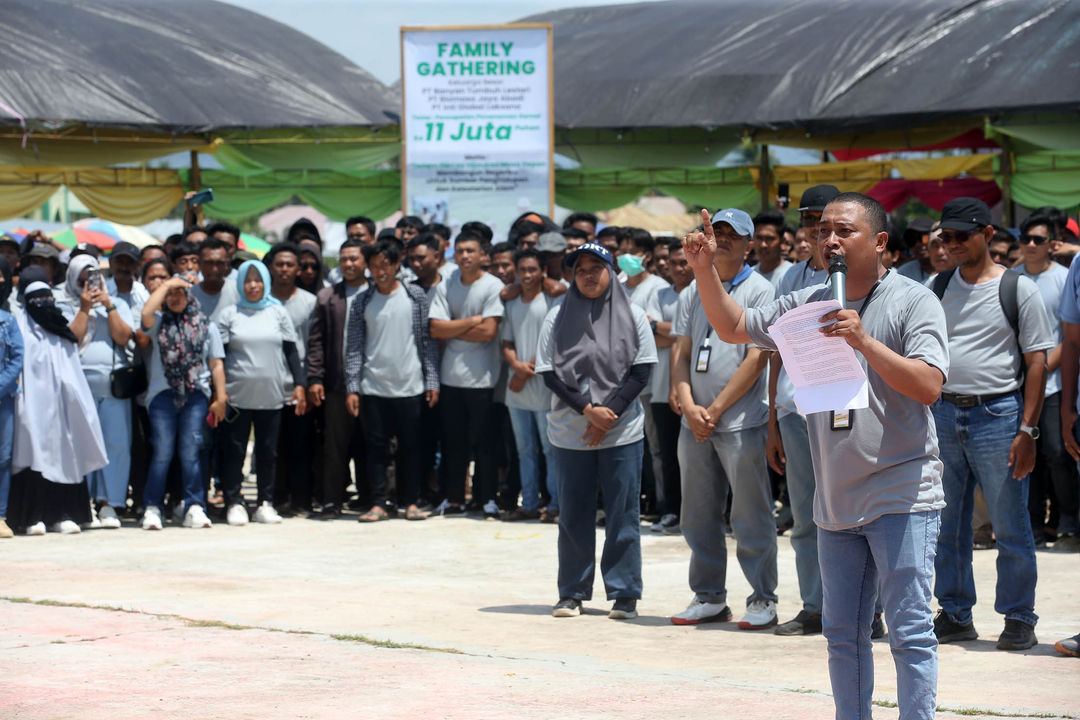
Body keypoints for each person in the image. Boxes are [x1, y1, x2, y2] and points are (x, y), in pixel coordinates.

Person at [685, 193, 949, 720]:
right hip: (835, 497)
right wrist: (704, 269)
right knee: (842, 634)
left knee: (910, 629)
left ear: (878, 242)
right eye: (822, 230)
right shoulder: (807, 302)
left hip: (902, 490)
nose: (829, 239)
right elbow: (735, 327)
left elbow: (929, 386)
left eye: (844, 230)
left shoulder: (915, 300)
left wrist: (864, 342)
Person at [931, 197, 1053, 652]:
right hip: (944, 412)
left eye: (962, 235)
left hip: (998, 415)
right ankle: (956, 613)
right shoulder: (939, 285)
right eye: (946, 236)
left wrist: (1028, 430)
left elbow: (1037, 362)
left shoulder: (1018, 289)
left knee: (1009, 524)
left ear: (987, 234)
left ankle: (1019, 616)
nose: (953, 244)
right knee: (947, 524)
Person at [669, 209, 778, 629]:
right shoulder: (692, 289)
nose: (727, 240)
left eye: (736, 235)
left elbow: (757, 357)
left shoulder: (762, 290)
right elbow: (680, 352)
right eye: (722, 232)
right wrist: (687, 401)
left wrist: (713, 410)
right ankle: (709, 595)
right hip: (693, 421)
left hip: (739, 421)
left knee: (750, 514)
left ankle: (763, 598)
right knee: (696, 513)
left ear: (750, 244)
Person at [537, 242, 656, 620]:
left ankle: (624, 594)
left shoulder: (634, 313)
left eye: (596, 267)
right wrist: (589, 411)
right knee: (573, 513)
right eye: (580, 269)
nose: (589, 275)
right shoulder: (556, 315)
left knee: (623, 513)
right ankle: (571, 592)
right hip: (571, 431)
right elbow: (548, 372)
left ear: (611, 270)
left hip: (621, 432)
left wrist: (610, 414)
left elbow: (642, 370)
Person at [768, 184, 839, 637]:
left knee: (852, 512)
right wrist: (772, 419)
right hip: (796, 410)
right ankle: (814, 605)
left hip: (843, 408)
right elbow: (774, 350)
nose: (814, 229)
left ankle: (860, 608)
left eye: (823, 220)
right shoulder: (790, 279)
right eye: (809, 220)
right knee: (804, 513)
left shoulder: (855, 274)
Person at [8, 267, 108, 535]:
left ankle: (63, 514)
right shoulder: (20, 328)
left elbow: (71, 370)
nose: (44, 305)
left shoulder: (60, 330)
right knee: (33, 458)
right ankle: (32, 517)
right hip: (31, 410)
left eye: (47, 299)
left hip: (62, 411)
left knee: (65, 456)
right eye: (37, 300)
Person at [344, 240, 439, 522]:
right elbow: (354, 347)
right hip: (373, 387)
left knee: (411, 447)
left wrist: (432, 380)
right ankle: (378, 503)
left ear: (397, 265)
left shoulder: (415, 296)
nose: (379, 271)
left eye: (385, 265)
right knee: (376, 449)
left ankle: (410, 501)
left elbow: (427, 341)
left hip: (410, 385)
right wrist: (353, 387)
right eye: (373, 266)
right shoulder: (362, 301)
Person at [216, 261, 306, 526]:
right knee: (234, 450)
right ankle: (234, 501)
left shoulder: (278, 312)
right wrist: (218, 392)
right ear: (241, 283)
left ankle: (265, 502)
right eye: (248, 280)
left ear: (266, 282)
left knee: (268, 451)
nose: (253, 285)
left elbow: (291, 352)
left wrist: (299, 384)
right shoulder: (230, 314)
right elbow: (218, 357)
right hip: (236, 396)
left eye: (258, 280)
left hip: (272, 395)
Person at [139, 274, 227, 530]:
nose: (175, 298)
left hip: (195, 395)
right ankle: (153, 506)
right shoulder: (159, 322)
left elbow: (216, 364)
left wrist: (220, 397)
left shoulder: (206, 325)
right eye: (170, 294)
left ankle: (195, 505)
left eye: (180, 293)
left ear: (190, 296)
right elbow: (146, 313)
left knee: (191, 452)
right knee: (162, 452)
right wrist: (167, 284)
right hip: (162, 396)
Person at [56, 255, 136, 530]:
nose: (87, 285)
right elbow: (71, 338)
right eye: (81, 280)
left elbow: (124, 337)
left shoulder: (118, 303)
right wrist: (84, 308)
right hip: (79, 387)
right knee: (82, 444)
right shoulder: (64, 306)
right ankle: (84, 502)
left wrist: (108, 305)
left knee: (117, 444)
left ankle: (109, 503)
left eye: (92, 279)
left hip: (112, 388)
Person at [1012, 215, 1077, 549]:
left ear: (1053, 244)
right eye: (1026, 239)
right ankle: (1033, 525)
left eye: (1038, 239)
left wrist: (1042, 367)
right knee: (1024, 456)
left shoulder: (1066, 278)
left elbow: (1070, 334)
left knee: (1056, 451)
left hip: (1053, 381)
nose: (1031, 245)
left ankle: (1067, 520)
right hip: (1016, 384)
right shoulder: (1010, 280)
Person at [428, 232, 505, 516]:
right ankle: (455, 498)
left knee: (484, 443)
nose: (464, 256)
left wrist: (455, 326)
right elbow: (435, 328)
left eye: (470, 250)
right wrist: (472, 320)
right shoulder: (446, 283)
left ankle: (486, 498)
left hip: (483, 379)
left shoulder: (492, 285)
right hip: (450, 377)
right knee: (453, 444)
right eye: (459, 251)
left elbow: (488, 332)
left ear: (482, 254)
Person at [307, 239, 368, 519]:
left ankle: (372, 497)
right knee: (334, 444)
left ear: (365, 261)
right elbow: (316, 341)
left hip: (374, 384)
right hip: (336, 384)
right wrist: (315, 377)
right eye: (344, 259)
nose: (348, 264)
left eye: (354, 258)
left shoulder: (377, 293)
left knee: (371, 443)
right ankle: (332, 500)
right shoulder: (328, 297)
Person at [501, 248, 560, 522]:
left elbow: (553, 343)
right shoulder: (512, 304)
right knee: (524, 450)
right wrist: (516, 367)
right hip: (518, 390)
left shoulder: (553, 301)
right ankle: (530, 501)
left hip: (544, 388)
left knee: (550, 448)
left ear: (542, 271)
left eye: (532, 269)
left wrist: (526, 370)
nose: (527, 275)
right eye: (522, 270)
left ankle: (556, 502)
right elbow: (507, 342)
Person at [265, 243, 318, 515]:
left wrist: (308, 384)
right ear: (271, 267)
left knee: (300, 446)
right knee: (272, 447)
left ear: (298, 269)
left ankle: (301, 500)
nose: (284, 270)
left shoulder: (310, 302)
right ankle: (274, 498)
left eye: (289, 265)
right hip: (268, 388)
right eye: (279, 264)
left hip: (299, 387)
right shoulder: (260, 300)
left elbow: (313, 346)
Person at [648, 240, 693, 535]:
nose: (678, 268)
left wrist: (667, 330)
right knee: (667, 455)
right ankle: (671, 511)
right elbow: (649, 333)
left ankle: (696, 513)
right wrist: (673, 332)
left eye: (683, 262)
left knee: (695, 457)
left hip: (692, 389)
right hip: (660, 387)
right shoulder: (659, 293)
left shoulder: (701, 293)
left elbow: (672, 337)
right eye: (674, 263)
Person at [0, 259, 23, 539]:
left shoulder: (8, 321)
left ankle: (1, 515)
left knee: (3, 458)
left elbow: (17, 358)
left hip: (3, 399)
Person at [190, 238, 238, 323]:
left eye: (219, 263)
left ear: (227, 264)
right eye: (209, 263)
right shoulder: (190, 295)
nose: (214, 269)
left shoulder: (238, 292)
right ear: (199, 263)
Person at [752, 211, 792, 290]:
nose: (763, 245)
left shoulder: (792, 274)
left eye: (770, 239)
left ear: (782, 241)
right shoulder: (749, 274)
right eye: (759, 238)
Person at [407, 233, 444, 299]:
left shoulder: (451, 286)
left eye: (421, 258)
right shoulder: (407, 293)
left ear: (436, 257)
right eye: (412, 259)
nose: (415, 264)